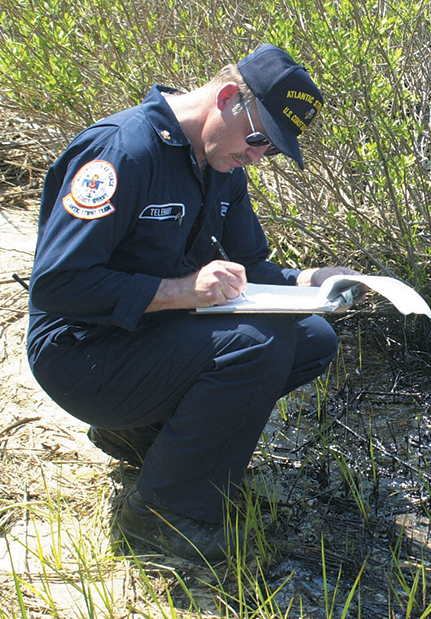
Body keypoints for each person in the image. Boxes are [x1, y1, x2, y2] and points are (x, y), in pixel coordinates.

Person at [27, 44, 356, 564]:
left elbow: (253, 269)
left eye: (270, 150)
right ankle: (162, 515)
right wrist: (182, 291)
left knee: (313, 337)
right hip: (79, 355)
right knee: (257, 344)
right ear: (227, 98)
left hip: (141, 344)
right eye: (258, 140)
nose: (256, 156)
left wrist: (314, 279)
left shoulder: (221, 165)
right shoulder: (122, 153)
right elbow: (57, 284)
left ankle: (144, 440)